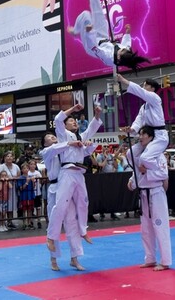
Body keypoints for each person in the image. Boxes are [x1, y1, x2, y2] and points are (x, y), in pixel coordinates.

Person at [45, 103, 102, 253]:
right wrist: (72, 109)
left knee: (84, 202)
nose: (74, 121)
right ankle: (51, 236)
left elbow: (91, 129)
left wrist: (97, 115)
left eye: (75, 120)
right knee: (61, 205)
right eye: (71, 120)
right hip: (67, 172)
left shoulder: (80, 137)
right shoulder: (63, 134)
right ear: (64, 125)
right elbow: (58, 118)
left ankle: (83, 230)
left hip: (79, 173)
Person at [69, 0, 149, 71]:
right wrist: (128, 33)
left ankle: (75, 31)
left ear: (119, 58)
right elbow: (126, 43)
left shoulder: (108, 57)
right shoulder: (126, 51)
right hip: (104, 37)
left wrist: (89, 32)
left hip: (93, 44)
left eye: (121, 51)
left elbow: (93, 46)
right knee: (99, 13)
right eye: (123, 49)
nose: (121, 49)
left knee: (86, 15)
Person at [40, 131, 95, 271]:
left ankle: (74, 258)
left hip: (68, 185)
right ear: (45, 143)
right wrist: (69, 143)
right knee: (55, 222)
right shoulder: (47, 152)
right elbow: (54, 148)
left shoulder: (67, 150)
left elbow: (83, 153)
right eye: (49, 138)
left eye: (53, 136)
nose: (53, 138)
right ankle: (53, 259)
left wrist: (87, 144)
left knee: (72, 222)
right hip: (54, 188)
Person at [126, 125, 171, 271]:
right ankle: (150, 258)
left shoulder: (158, 155)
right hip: (144, 193)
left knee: (160, 226)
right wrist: (132, 182)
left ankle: (165, 261)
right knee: (145, 229)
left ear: (151, 137)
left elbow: (164, 175)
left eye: (143, 134)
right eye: (139, 134)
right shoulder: (141, 154)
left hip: (156, 193)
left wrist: (147, 173)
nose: (141, 136)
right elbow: (137, 172)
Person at [117, 75, 168, 176]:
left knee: (145, 157)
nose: (143, 88)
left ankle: (158, 171)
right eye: (143, 86)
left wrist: (124, 81)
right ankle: (140, 172)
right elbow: (138, 122)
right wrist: (131, 129)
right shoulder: (143, 107)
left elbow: (142, 92)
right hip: (147, 135)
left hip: (159, 136)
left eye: (146, 86)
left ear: (152, 89)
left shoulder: (156, 99)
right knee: (130, 154)